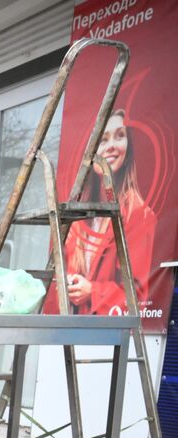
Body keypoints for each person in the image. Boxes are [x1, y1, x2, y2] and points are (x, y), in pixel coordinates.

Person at [62, 108, 157, 316]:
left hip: (109, 334)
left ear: (128, 146)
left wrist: (92, 291)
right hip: (72, 332)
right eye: (103, 140)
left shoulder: (139, 215)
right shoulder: (77, 217)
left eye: (120, 136)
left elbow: (140, 296)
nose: (112, 146)